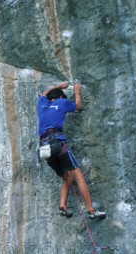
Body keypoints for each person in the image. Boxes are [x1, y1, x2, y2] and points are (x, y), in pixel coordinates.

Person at [38, 82, 106, 219]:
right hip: (57, 142)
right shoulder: (62, 102)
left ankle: (63, 206)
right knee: (78, 175)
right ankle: (91, 211)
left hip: (44, 149)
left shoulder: (42, 105)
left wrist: (57, 86)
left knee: (67, 178)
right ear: (60, 97)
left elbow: (44, 94)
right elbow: (79, 107)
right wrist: (76, 91)